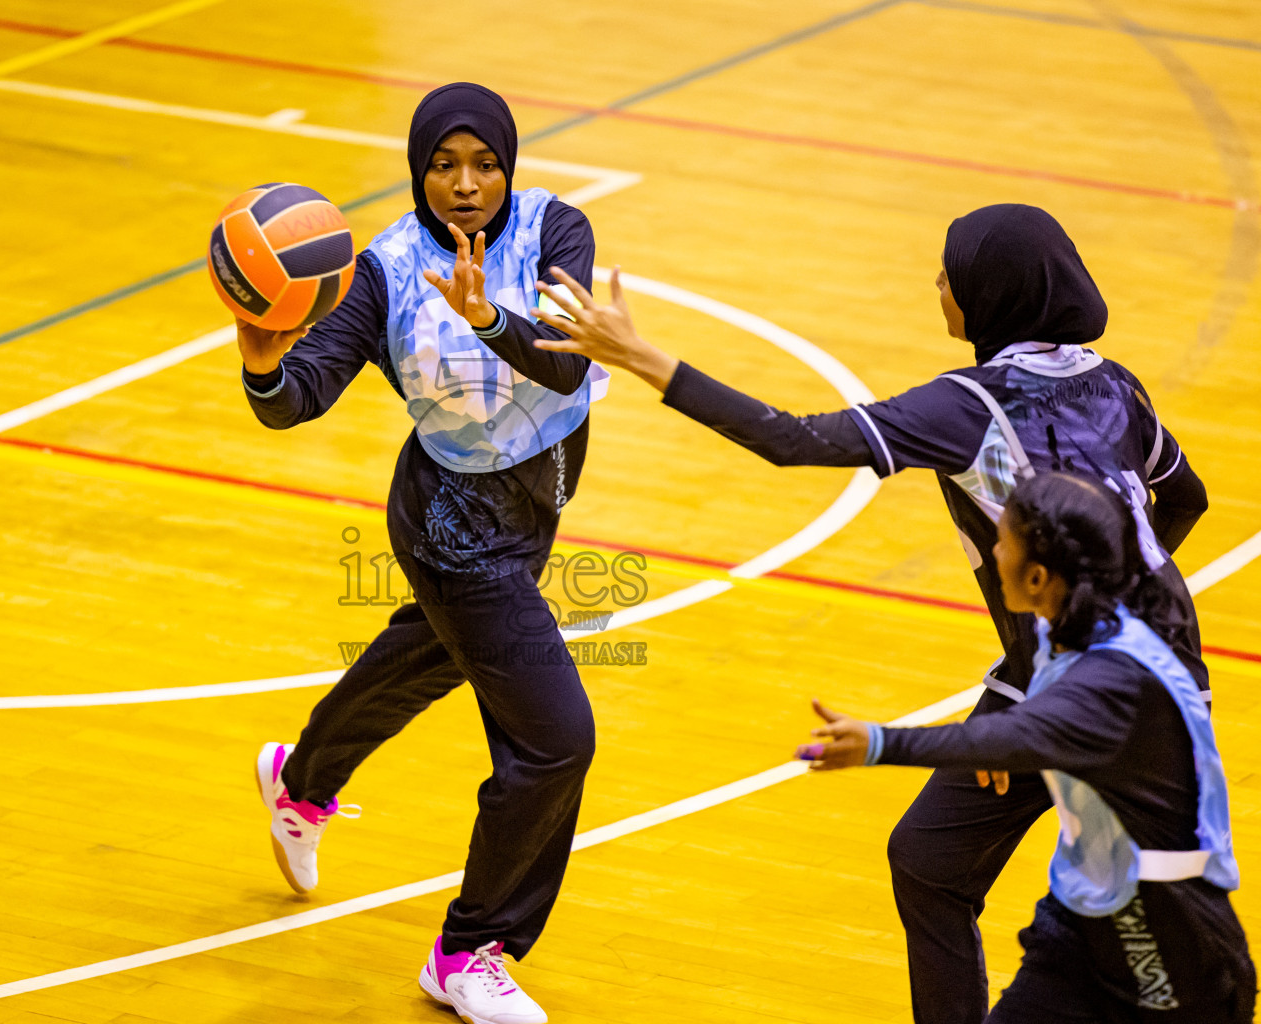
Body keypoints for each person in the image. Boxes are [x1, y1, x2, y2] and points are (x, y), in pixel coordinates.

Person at [527, 204, 1211, 1023]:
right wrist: (1061, 656)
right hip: (1129, 667)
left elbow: (792, 439)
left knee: (1143, 949)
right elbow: (1187, 498)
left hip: (1118, 705)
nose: (937, 284)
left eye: (949, 275)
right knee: (931, 859)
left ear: (992, 296)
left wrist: (643, 358)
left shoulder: (967, 409)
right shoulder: (1114, 384)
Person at [237, 81, 609, 1024]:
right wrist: (261, 359)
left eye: (483, 163)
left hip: (538, 498)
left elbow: (567, 362)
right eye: (443, 165)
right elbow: (300, 395)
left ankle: (301, 779)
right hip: (449, 523)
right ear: (417, 173)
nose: (465, 183)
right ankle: (471, 949)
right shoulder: (384, 272)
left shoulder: (558, 231)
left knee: (431, 653)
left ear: (509, 165)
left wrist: (490, 318)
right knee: (556, 738)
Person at [795, 472, 1253, 1022]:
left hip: (1169, 947)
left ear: (1037, 576)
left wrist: (877, 742)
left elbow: (1023, 732)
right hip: (1080, 928)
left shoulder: (1116, 678)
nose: (992, 550)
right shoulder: (1070, 629)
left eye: (1003, 542)